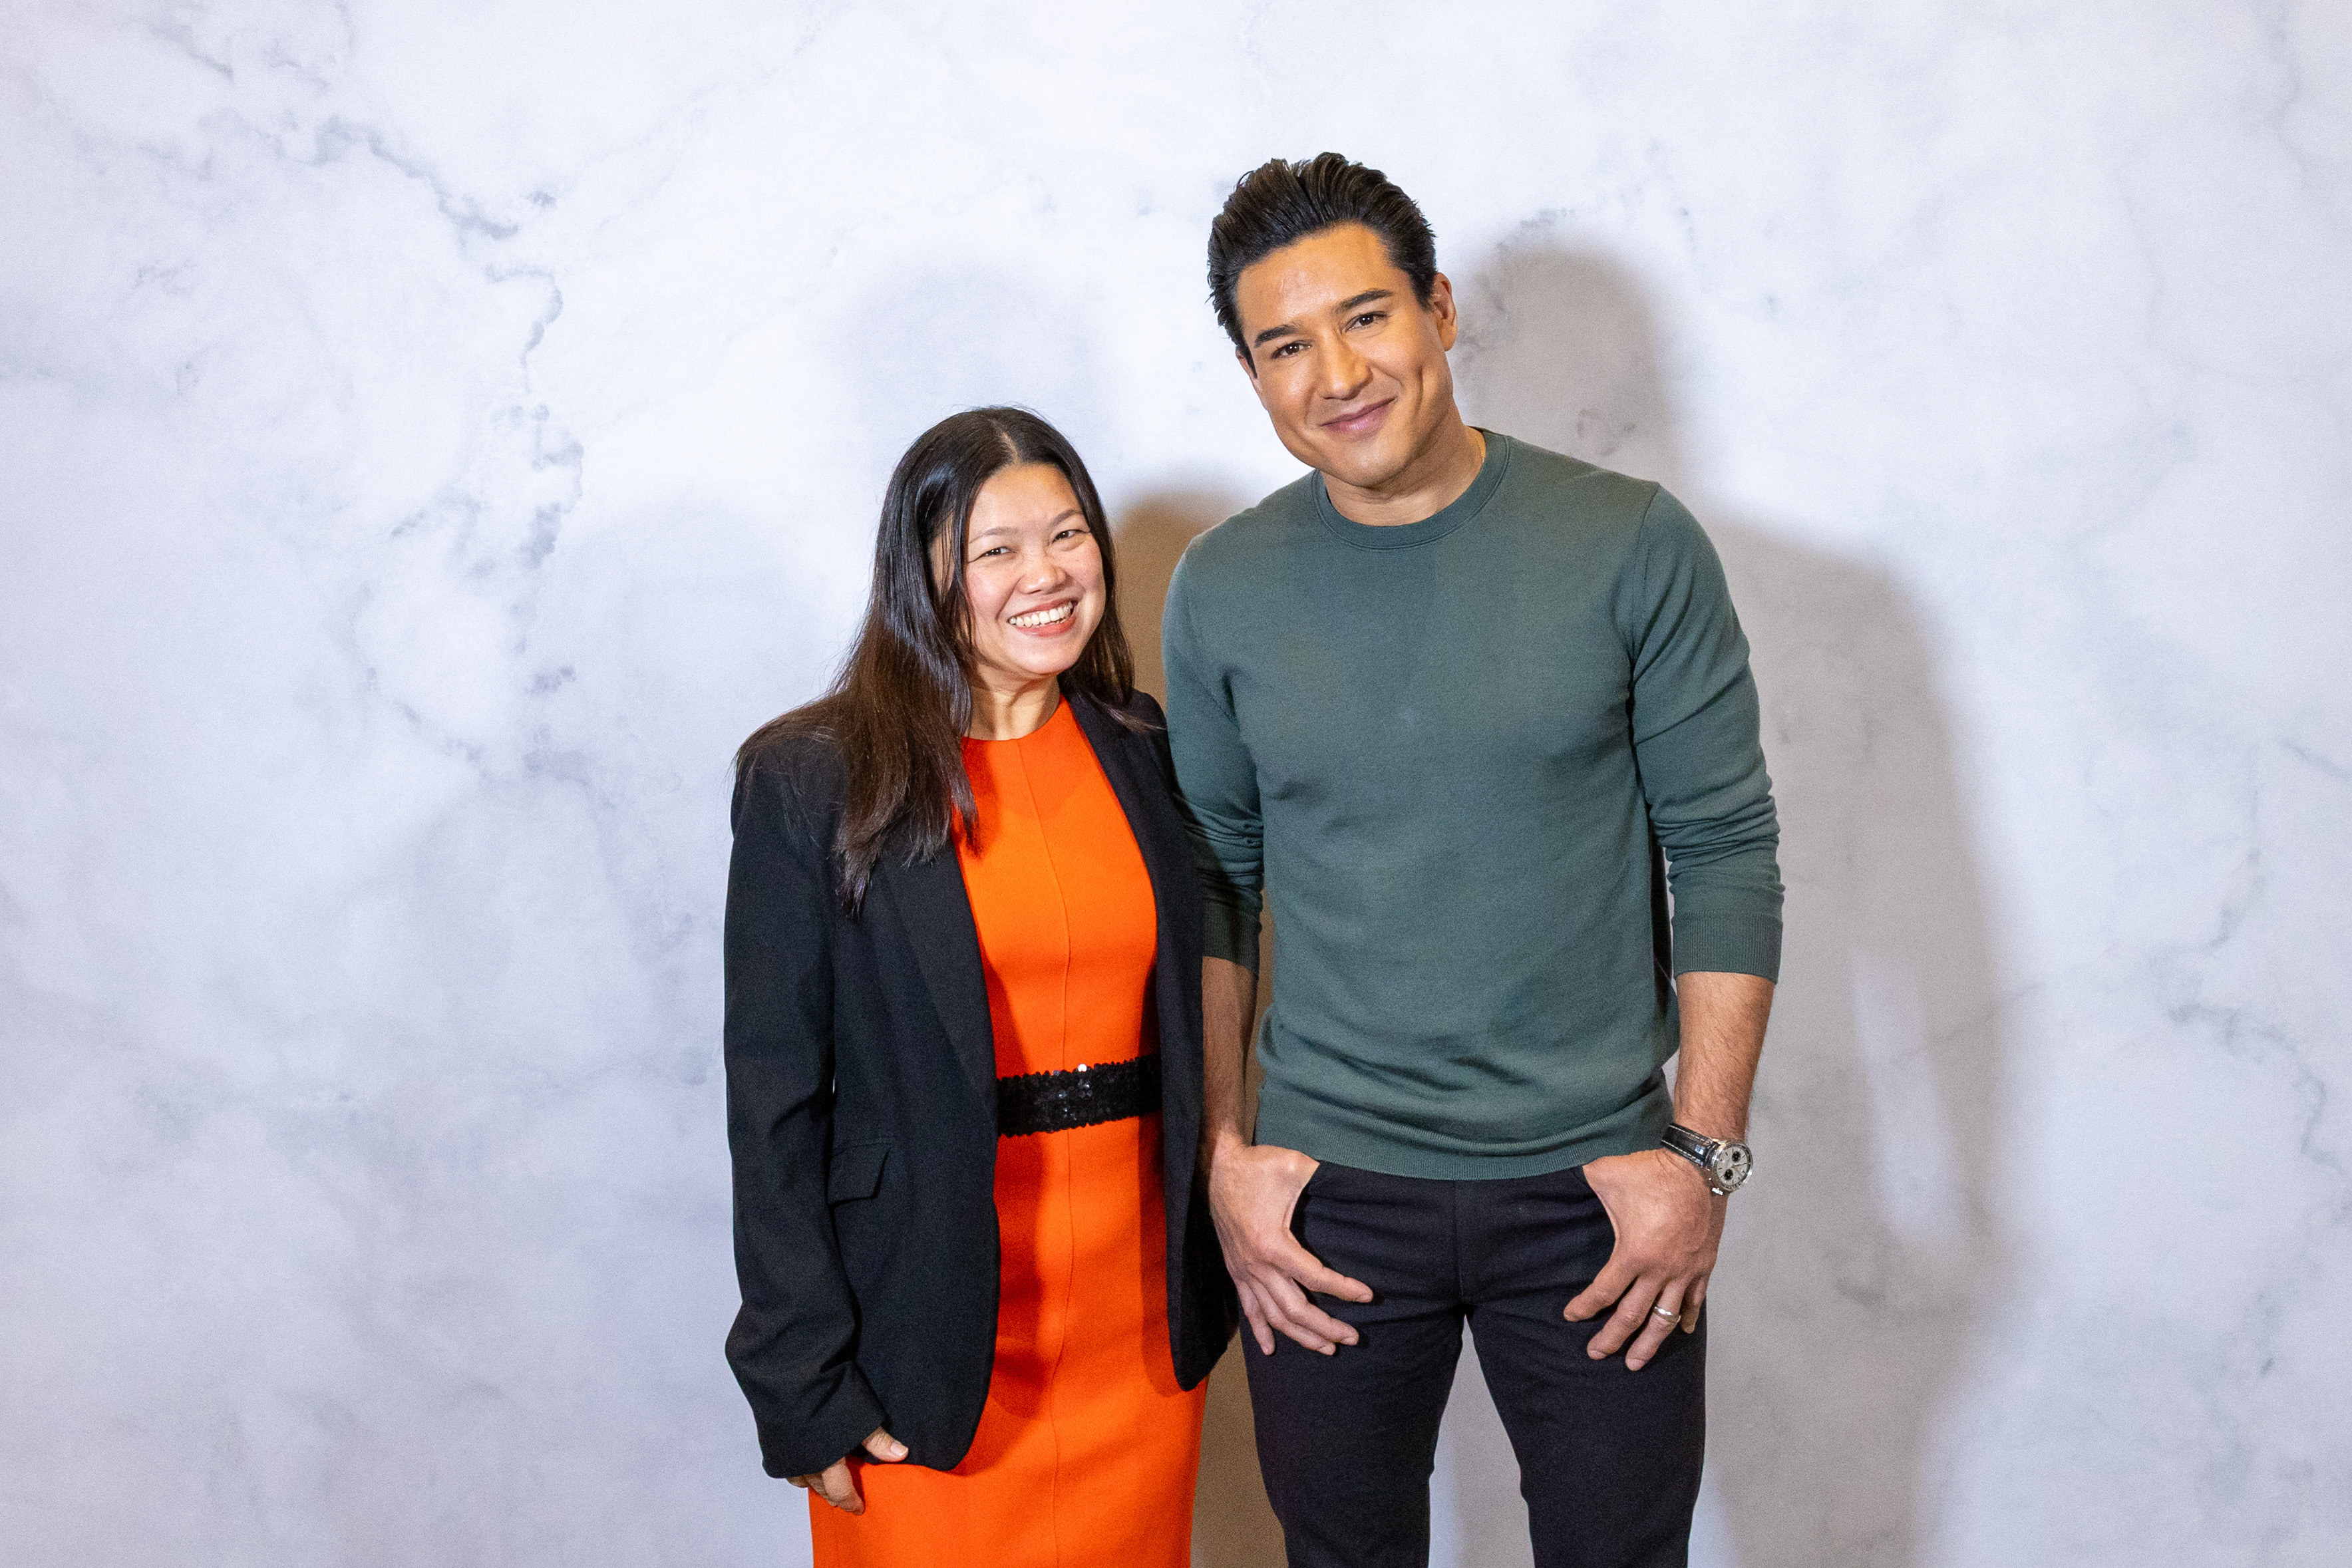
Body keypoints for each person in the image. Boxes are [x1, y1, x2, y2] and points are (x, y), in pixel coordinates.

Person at [1162, 154, 1784, 1568]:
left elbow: (1724, 850)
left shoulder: (1629, 544)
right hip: (1323, 1196)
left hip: (1595, 1190)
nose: (1336, 375)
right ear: (1252, 377)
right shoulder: (1224, 587)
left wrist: (1698, 1159)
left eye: (1365, 317)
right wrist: (1225, 1160)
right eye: (1284, 346)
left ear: (1438, 310)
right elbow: (1213, 879)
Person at [723, 407, 1235, 1568]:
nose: (1045, 575)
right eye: (996, 550)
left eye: (1068, 535)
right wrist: (799, 1376)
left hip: (1137, 1332)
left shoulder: (1141, 745)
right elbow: (772, 1105)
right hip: (922, 1342)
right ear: (923, 574)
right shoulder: (812, 780)